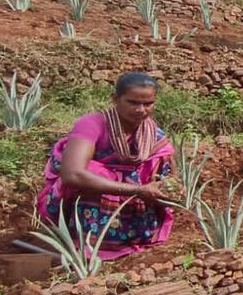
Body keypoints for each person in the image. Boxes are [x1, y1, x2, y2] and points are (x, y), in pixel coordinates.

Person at [35, 73, 173, 259]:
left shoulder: (152, 132)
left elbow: (171, 172)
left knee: (159, 162)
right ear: (115, 99)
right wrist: (135, 189)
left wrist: (167, 188)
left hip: (138, 196)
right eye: (133, 103)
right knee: (93, 173)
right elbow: (72, 174)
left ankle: (138, 235)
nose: (141, 110)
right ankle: (85, 242)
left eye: (148, 104)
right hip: (99, 195)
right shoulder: (93, 124)